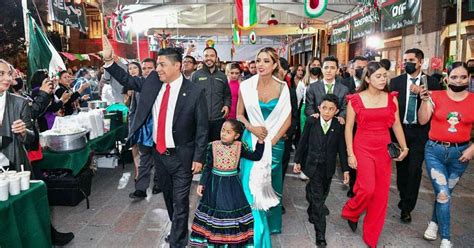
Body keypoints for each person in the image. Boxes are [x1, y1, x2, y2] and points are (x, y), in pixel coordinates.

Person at [102, 36, 208, 247]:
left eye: (162, 64)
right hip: (160, 155)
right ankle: (178, 228)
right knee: (169, 198)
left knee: (180, 201)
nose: (157, 69)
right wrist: (109, 61)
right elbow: (128, 80)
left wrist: (199, 157)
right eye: (157, 64)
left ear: (177, 66)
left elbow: (202, 128)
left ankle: (177, 242)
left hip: (182, 156)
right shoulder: (153, 82)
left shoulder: (195, 92)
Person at [341, 61, 408, 248]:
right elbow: (348, 129)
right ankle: (351, 210)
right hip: (362, 146)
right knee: (367, 189)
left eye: (385, 75)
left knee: (380, 195)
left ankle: (371, 237)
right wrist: (350, 154)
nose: (383, 79)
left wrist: (405, 148)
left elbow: (396, 125)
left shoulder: (391, 98)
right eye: (378, 76)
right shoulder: (355, 99)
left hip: (384, 148)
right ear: (368, 79)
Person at [236, 47, 291, 247]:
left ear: (275, 64)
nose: (260, 64)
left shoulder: (283, 87)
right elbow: (239, 114)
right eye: (258, 60)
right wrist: (253, 129)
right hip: (251, 141)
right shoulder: (246, 86)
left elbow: (287, 119)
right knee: (250, 184)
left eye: (266, 61)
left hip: (275, 144)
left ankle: (272, 223)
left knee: (272, 184)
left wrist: (270, 143)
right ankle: (256, 230)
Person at [418, 62, 474, 248]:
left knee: (445, 193)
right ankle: (446, 239)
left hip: (461, 155)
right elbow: (423, 120)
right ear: (446, 78)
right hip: (435, 151)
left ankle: (434, 222)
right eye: (455, 77)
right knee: (442, 194)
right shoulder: (434, 96)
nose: (459, 80)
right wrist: (425, 101)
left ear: (469, 78)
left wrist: (473, 148)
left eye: (463, 77)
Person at [189, 119, 265, 247]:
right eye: (223, 130)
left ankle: (229, 242)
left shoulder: (240, 147)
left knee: (230, 212)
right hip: (214, 186)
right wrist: (202, 183)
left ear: (236, 136)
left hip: (232, 186)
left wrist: (260, 141)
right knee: (214, 212)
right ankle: (214, 242)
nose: (223, 134)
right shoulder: (213, 145)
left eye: (228, 132)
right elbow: (208, 166)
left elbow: (256, 156)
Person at [389, 48, 443, 223]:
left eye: (411, 60)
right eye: (405, 60)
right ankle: (404, 196)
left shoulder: (432, 83)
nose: (407, 63)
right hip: (400, 131)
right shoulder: (396, 82)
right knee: (402, 170)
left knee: (414, 170)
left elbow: (437, 109)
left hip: (420, 133)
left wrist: (423, 95)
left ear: (420, 62)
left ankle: (407, 207)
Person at [293, 94, 350, 247]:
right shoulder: (312, 121)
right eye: (324, 108)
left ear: (336, 111)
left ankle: (310, 197)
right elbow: (303, 141)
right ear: (319, 108)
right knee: (319, 201)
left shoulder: (338, 125)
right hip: (312, 165)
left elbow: (341, 149)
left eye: (331, 109)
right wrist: (297, 160)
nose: (326, 112)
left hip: (328, 168)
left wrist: (345, 170)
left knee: (322, 193)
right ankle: (320, 234)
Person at [128, 57, 162, 198]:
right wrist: (132, 128)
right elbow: (133, 110)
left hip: (160, 129)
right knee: (144, 160)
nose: (147, 71)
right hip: (144, 130)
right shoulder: (138, 87)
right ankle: (141, 189)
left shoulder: (162, 85)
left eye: (150, 68)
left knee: (160, 159)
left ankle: (159, 184)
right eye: (145, 68)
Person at [191, 47, 231, 142]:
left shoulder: (223, 76)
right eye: (206, 56)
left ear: (216, 58)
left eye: (212, 56)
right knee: (201, 146)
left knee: (216, 147)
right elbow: (190, 97)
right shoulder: (196, 75)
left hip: (218, 119)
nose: (209, 58)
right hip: (200, 120)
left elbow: (227, 95)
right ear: (203, 58)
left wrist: (226, 105)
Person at [305, 56, 349, 123]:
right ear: (322, 70)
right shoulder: (312, 88)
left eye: (332, 68)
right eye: (326, 67)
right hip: (317, 124)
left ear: (337, 70)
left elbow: (344, 108)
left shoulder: (344, 89)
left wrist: (341, 117)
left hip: (336, 125)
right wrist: (314, 116)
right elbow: (309, 108)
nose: (329, 70)